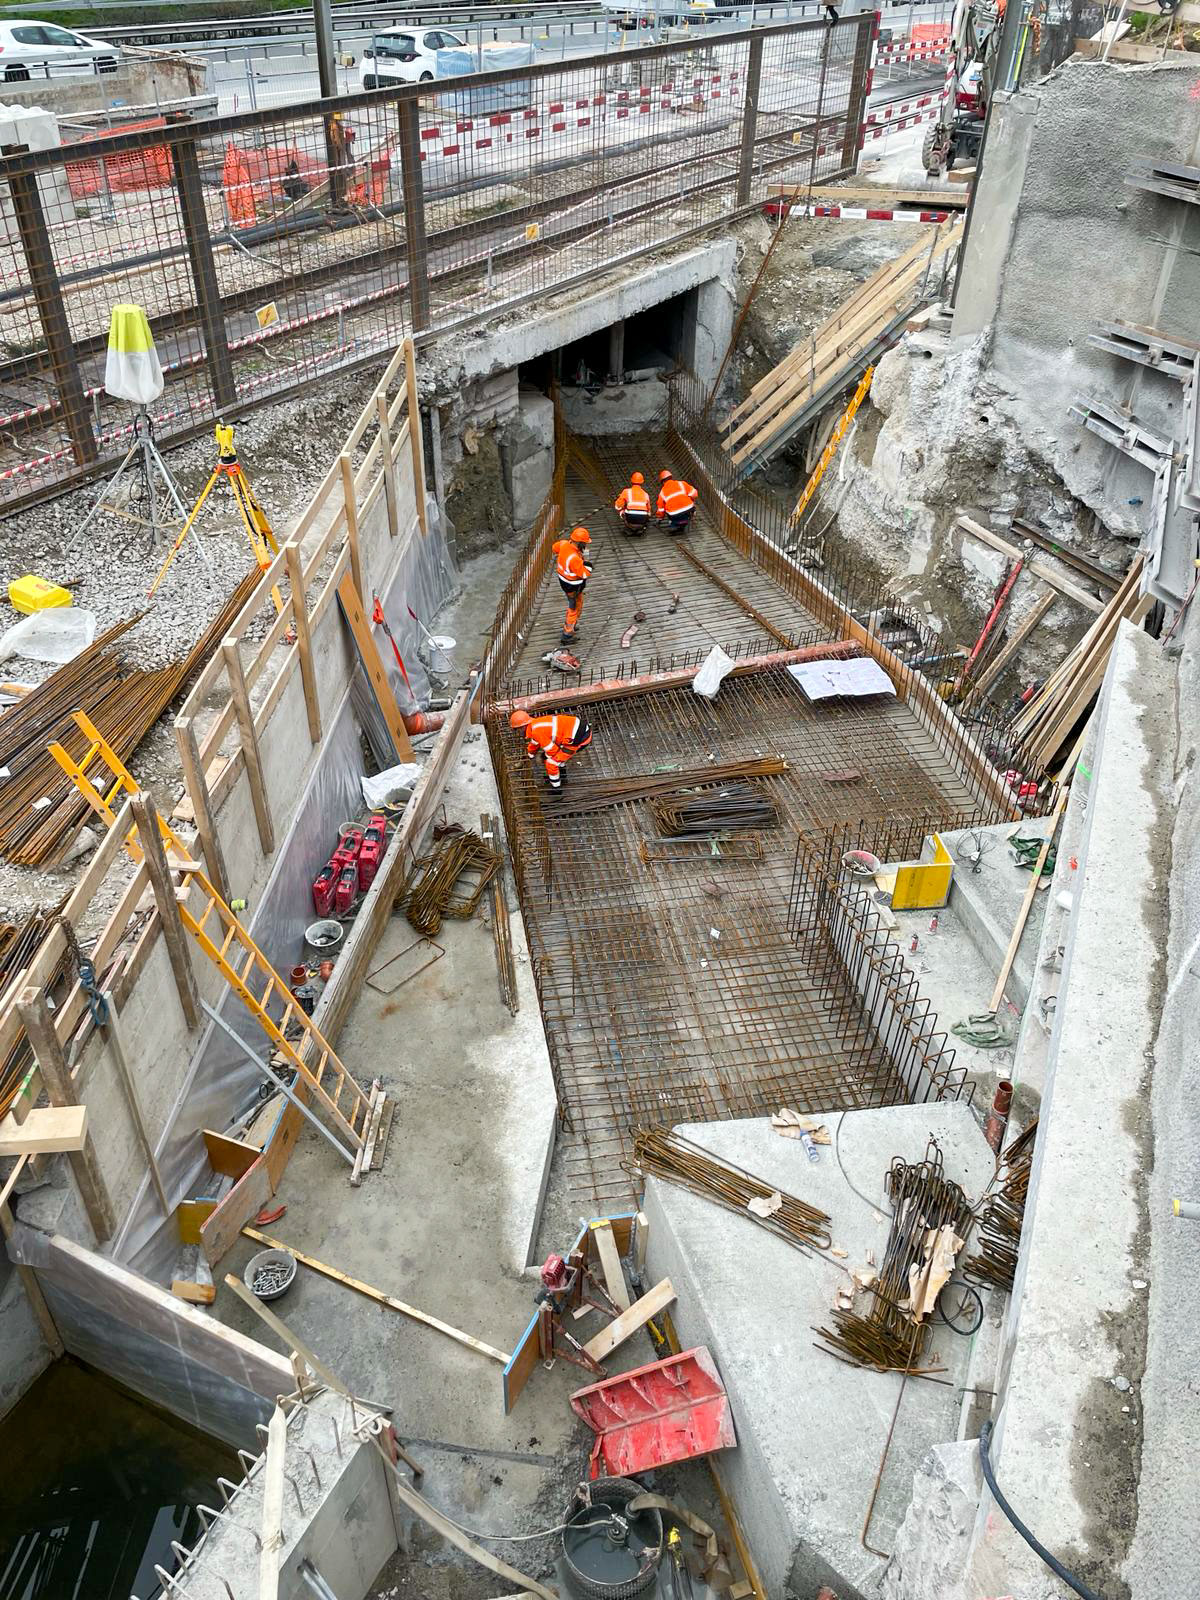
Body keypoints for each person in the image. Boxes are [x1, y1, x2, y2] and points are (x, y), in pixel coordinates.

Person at [509, 709, 593, 793]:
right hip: (578, 730)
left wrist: (544, 757)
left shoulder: (536, 732)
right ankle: (562, 777)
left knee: (551, 763)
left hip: (580, 739)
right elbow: (535, 743)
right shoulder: (535, 724)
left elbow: (553, 750)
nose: (517, 732)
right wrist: (529, 755)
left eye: (517, 730)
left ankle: (557, 789)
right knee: (559, 756)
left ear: (522, 727)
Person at [550, 526, 592, 644]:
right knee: (573, 607)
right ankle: (567, 634)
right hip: (573, 586)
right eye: (584, 544)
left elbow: (554, 548)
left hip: (564, 582)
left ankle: (571, 626)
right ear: (579, 543)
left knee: (577, 603)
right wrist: (588, 563)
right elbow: (585, 573)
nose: (586, 546)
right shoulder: (574, 559)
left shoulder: (564, 544)